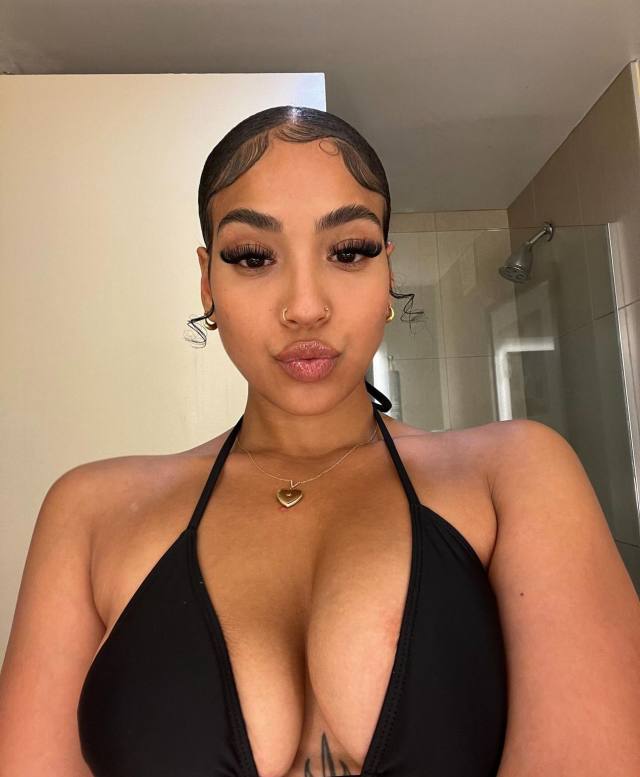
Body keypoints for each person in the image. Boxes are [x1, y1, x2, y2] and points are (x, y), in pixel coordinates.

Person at [1, 105, 639, 777]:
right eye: (253, 256)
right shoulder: (89, 514)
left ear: (387, 272)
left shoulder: (517, 477)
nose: (305, 306)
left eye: (350, 251)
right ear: (207, 280)